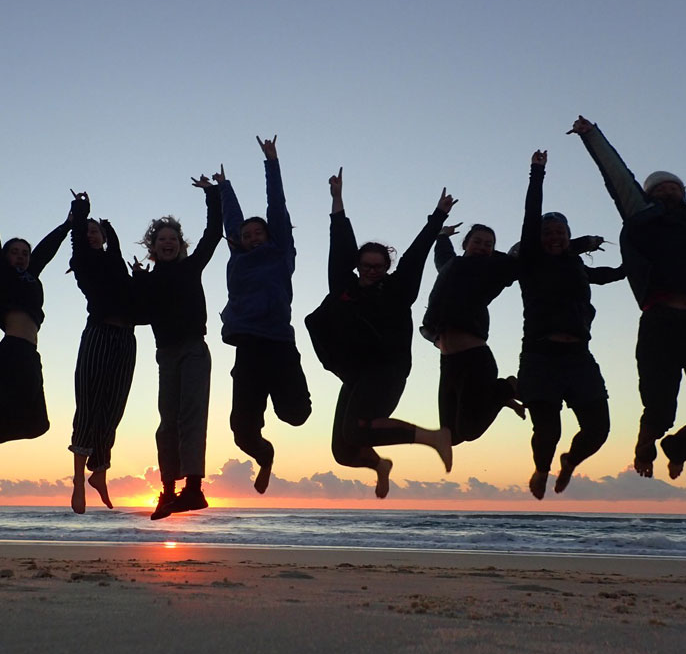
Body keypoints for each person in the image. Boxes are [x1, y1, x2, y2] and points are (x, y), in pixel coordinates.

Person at [569, 115, 686, 478]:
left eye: (675, 187)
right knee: (660, 410)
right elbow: (617, 176)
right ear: (650, 194)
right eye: (661, 187)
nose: (669, 190)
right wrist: (591, 135)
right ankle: (645, 442)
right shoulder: (640, 214)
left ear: (684, 192)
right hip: (658, 323)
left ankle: (677, 447)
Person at [305, 168, 453, 499]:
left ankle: (433, 438)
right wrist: (337, 201)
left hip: (388, 369)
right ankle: (380, 466)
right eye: (367, 265)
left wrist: (437, 218)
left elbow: (415, 257)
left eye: (379, 266)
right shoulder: (343, 288)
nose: (372, 270)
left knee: (357, 429)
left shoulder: (398, 290)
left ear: (386, 266)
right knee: (343, 452)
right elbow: (339, 243)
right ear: (358, 265)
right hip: (357, 375)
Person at [515, 150, 625, 499]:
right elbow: (532, 215)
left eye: (560, 232)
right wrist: (537, 173)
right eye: (548, 232)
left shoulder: (577, 268)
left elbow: (605, 275)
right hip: (539, 356)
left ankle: (570, 461)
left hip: (579, 356)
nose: (553, 236)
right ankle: (542, 468)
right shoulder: (530, 261)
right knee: (547, 431)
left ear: (568, 236)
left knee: (598, 429)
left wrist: (632, 266)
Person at [217, 135, 311, 494]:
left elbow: (277, 206)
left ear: (269, 236)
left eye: (259, 233)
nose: (253, 237)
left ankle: (285, 400)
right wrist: (225, 188)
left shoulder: (281, 252)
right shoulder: (238, 256)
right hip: (248, 349)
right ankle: (266, 455)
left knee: (296, 416)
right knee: (242, 432)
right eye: (247, 234)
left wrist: (271, 162)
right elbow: (231, 221)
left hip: (280, 346)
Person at [132, 174, 222, 519]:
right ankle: (169, 491)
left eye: (172, 239)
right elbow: (140, 315)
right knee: (166, 423)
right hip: (165, 355)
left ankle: (194, 489)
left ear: (180, 244)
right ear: (153, 247)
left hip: (193, 350)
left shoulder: (191, 267)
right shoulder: (148, 280)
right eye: (161, 240)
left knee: (191, 418)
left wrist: (212, 195)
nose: (167, 243)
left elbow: (213, 234)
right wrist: (139, 284)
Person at [0, 161, 71, 465]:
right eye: (14, 251)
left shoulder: (31, 275)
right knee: (19, 416)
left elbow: (45, 249)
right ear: (5, 256)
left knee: (39, 425)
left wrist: (68, 224)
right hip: (10, 352)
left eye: (24, 253)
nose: (21, 256)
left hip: (30, 354)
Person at [421, 219, 525, 446]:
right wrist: (442, 235)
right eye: (477, 241)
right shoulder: (450, 266)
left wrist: (582, 243)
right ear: (466, 243)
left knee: (469, 430)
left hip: (474, 360)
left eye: (489, 244)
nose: (482, 246)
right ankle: (499, 397)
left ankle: (507, 387)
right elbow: (442, 255)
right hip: (448, 362)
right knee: (451, 437)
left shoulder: (493, 271)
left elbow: (538, 253)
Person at [66, 191, 136, 514]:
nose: (92, 234)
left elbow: (117, 252)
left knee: (114, 407)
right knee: (90, 403)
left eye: (97, 231)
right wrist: (82, 212)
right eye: (88, 232)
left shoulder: (115, 260)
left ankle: (101, 471)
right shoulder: (83, 260)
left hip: (126, 338)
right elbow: (78, 237)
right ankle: (79, 479)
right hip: (98, 333)